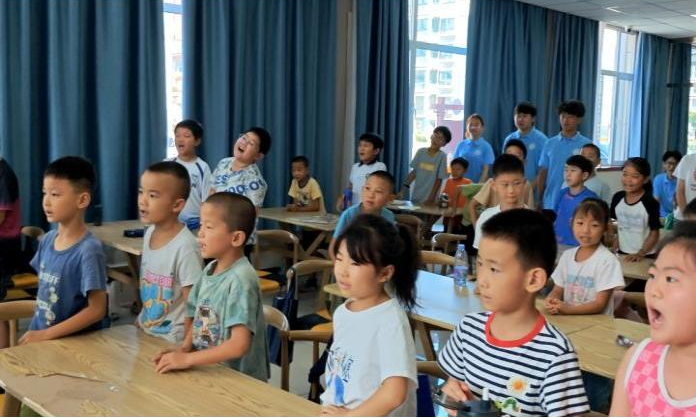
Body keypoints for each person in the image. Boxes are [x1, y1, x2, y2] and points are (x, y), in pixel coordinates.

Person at [321, 214, 419, 417]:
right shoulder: (343, 312)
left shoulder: (390, 321)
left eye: (355, 263)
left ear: (385, 273)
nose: (342, 271)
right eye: (339, 258)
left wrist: (349, 416)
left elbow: (394, 394)